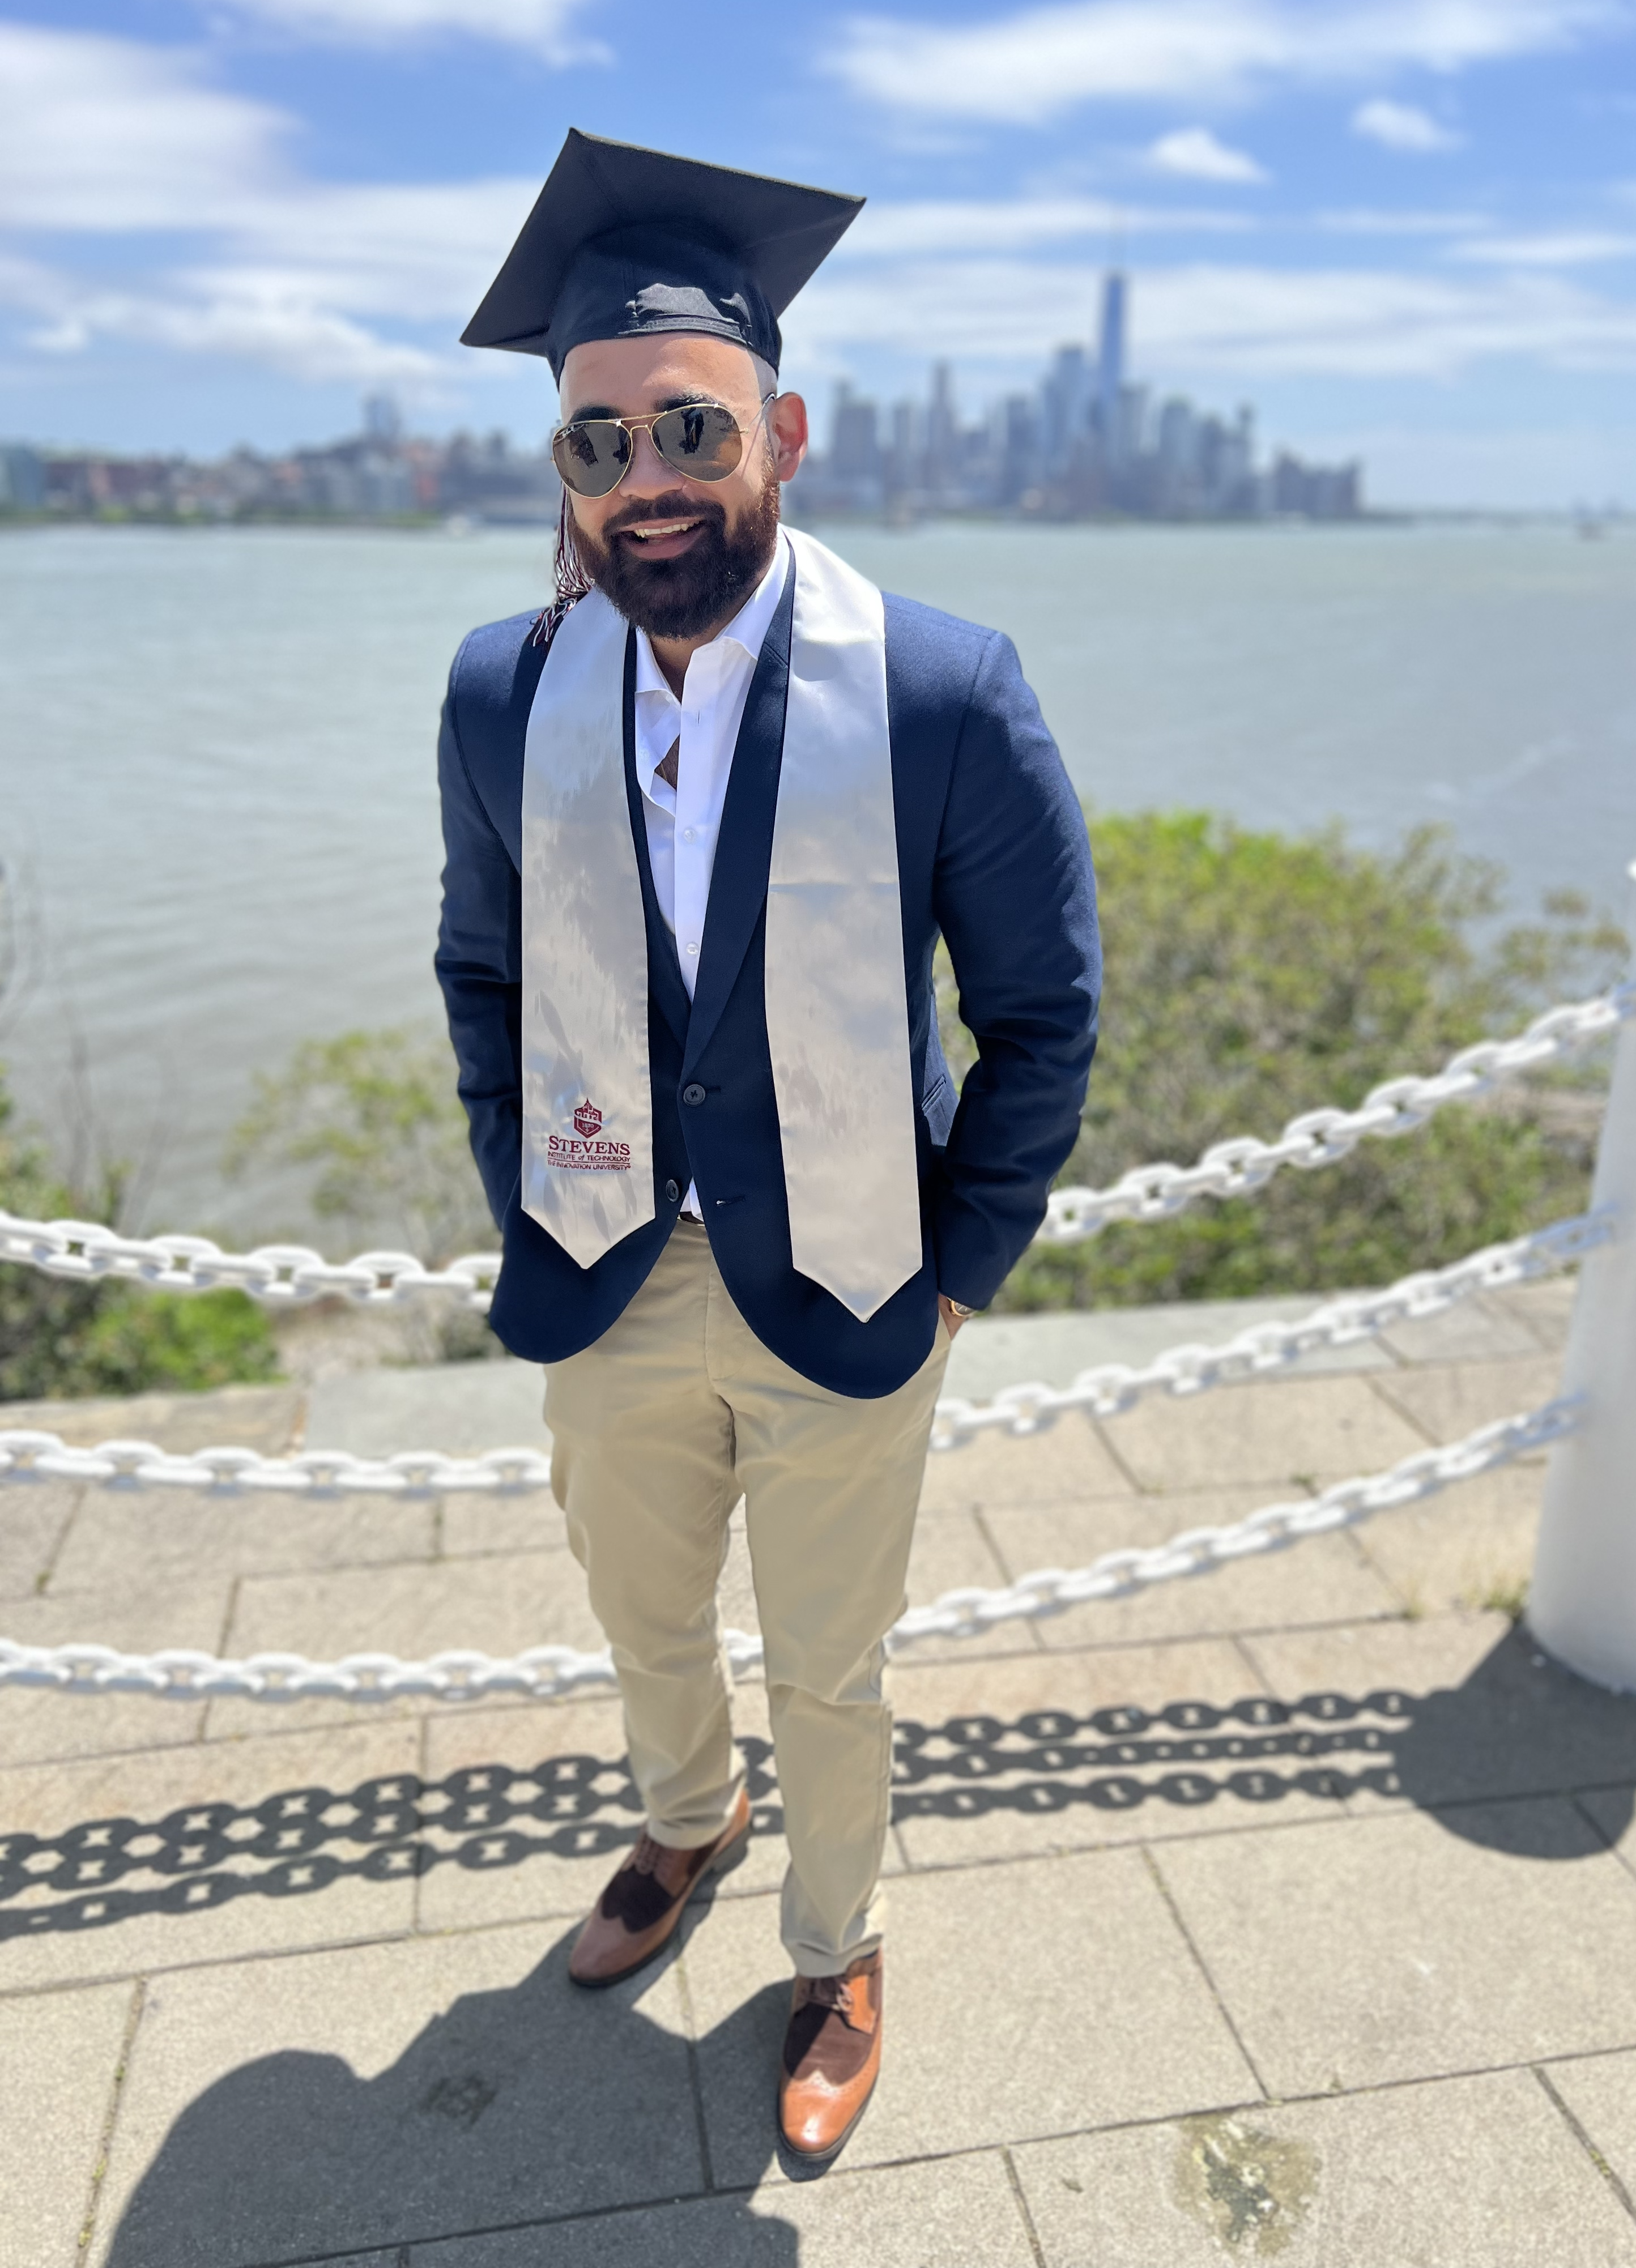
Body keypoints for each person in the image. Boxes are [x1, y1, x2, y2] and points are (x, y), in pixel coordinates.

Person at [437, 129, 1100, 2175]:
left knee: (834, 1663)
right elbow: (480, 972)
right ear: (564, 469)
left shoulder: (939, 695)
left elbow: (1044, 1014)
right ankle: (678, 1825)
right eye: (595, 439)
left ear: (782, 431)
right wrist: (527, 1192)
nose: (643, 472)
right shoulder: (504, 688)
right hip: (606, 1263)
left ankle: (836, 1947)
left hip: (849, 1278)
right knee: (645, 1623)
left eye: (688, 424)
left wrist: (962, 1261)